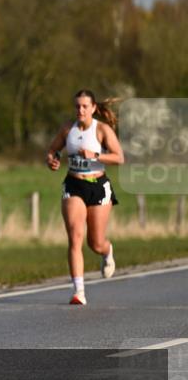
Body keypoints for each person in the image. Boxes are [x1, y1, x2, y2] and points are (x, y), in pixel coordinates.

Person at [45, 89, 124, 306]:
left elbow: (119, 157)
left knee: (95, 243)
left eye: (84, 106)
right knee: (75, 236)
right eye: (77, 106)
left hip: (98, 187)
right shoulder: (67, 129)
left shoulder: (102, 130)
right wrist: (52, 160)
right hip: (73, 185)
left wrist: (95, 155)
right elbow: (52, 150)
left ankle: (107, 251)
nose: (80, 110)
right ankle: (79, 291)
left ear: (93, 108)